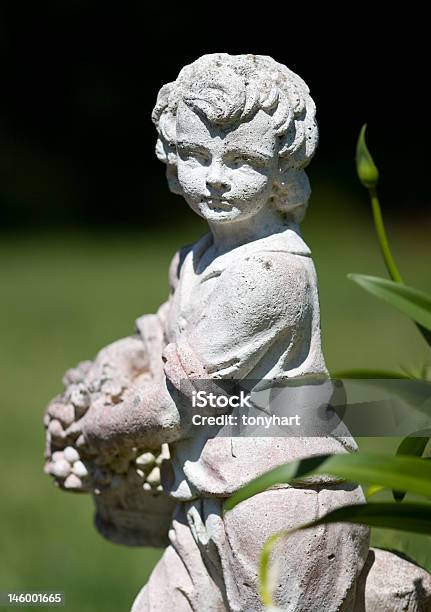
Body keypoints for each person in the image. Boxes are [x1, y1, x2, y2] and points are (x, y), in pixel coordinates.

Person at [44, 54, 370, 611]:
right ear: (172, 161)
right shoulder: (197, 258)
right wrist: (113, 366)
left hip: (280, 502)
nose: (215, 177)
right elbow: (160, 338)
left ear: (282, 171)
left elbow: (176, 408)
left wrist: (97, 429)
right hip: (204, 494)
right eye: (196, 156)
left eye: (241, 160)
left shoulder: (273, 273)